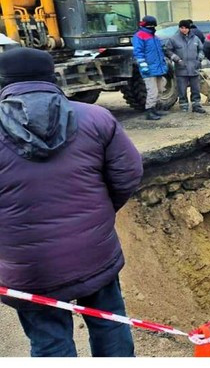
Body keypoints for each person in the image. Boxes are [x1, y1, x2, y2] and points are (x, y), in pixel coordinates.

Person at [0, 48, 143, 357]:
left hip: (29, 268)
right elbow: (128, 174)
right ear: (53, 77)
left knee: (50, 343)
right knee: (111, 327)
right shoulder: (96, 117)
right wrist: (101, 212)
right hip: (94, 252)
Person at [131, 15, 169, 121]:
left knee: (160, 89)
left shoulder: (154, 37)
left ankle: (155, 109)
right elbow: (138, 52)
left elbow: (160, 52)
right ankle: (149, 111)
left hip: (158, 68)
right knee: (152, 91)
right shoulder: (140, 36)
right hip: (149, 69)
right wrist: (143, 66)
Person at [164, 19, 206, 113]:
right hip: (181, 69)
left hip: (194, 68)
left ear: (189, 28)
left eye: (186, 28)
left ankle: (196, 105)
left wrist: (199, 59)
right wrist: (177, 59)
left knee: (196, 88)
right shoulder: (173, 39)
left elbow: (202, 49)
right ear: (179, 28)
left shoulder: (195, 38)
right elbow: (168, 51)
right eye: (182, 28)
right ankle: (184, 105)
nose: (184, 30)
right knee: (182, 89)